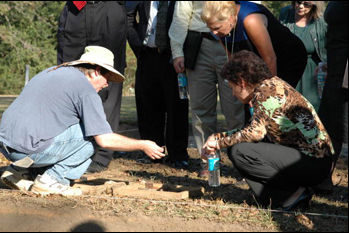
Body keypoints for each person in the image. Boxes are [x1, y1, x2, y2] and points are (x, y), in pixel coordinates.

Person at [0, 46, 165, 196]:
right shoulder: (85, 90)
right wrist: (143, 145)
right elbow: (105, 139)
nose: (107, 84)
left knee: (66, 127)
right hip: (30, 150)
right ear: (96, 71)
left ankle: (20, 172)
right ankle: (52, 180)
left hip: (7, 147)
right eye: (107, 77)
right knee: (92, 135)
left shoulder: (51, 71)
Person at [202, 50, 334, 210]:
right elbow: (254, 131)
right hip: (313, 160)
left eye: (232, 87)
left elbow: (254, 133)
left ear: (242, 82)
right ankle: (277, 198)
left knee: (240, 151)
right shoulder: (271, 85)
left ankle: (293, 194)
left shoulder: (266, 93)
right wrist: (218, 138)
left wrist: (219, 140)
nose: (233, 94)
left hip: (313, 163)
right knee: (239, 148)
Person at [169, 1, 245, 177]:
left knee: (234, 109)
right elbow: (181, 16)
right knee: (201, 108)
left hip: (231, 41)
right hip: (199, 43)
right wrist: (178, 52)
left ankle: (242, 162)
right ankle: (208, 162)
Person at [57, 1, 127, 173]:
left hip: (108, 11)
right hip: (76, 10)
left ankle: (101, 155)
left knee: (106, 80)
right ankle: (66, 147)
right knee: (67, 75)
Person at [126, 1, 190, 168]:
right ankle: (152, 152)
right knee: (147, 105)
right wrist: (138, 47)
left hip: (175, 57)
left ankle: (178, 155)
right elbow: (127, 17)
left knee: (177, 106)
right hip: (147, 55)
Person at [201, 1, 307, 89]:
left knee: (274, 103)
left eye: (216, 28)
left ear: (230, 19)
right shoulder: (219, 28)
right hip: (259, 59)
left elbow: (269, 58)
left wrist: (268, 93)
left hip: (287, 58)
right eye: (211, 29)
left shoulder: (251, 20)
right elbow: (233, 58)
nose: (214, 33)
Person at [315, 1, 348, 194]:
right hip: (337, 67)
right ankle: (323, 179)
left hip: (345, 73)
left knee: (340, 126)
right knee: (330, 126)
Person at [279, 1, 327, 113]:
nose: (300, 6)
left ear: (315, 5)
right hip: (289, 70)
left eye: (307, 4)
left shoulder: (321, 19)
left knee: (311, 110)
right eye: (298, 2)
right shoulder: (285, 13)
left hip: (312, 72)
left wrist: (327, 63)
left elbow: (328, 44)